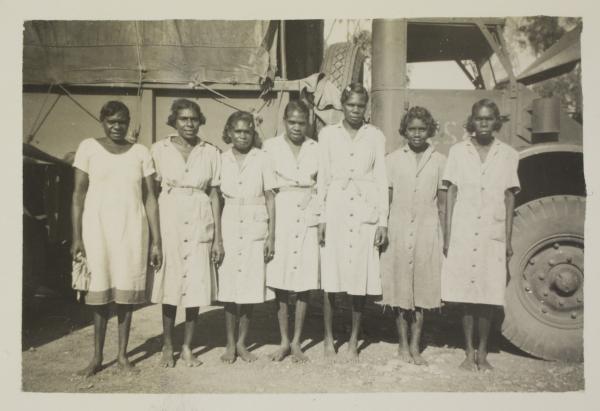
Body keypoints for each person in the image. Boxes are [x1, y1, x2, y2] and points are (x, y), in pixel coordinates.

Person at [71, 101, 162, 377]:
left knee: (125, 295)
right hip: (96, 229)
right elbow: (78, 195)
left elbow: (150, 198)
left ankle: (122, 356)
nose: (117, 127)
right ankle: (97, 357)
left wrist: (156, 240)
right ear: (102, 121)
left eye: (122, 121)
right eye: (111, 122)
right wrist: (76, 237)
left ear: (128, 121)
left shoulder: (141, 152)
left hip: (132, 230)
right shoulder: (88, 147)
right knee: (99, 295)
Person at [442, 99, 520, 371]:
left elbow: (510, 197)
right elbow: (450, 192)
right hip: (464, 231)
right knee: (466, 293)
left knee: (488, 293)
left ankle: (483, 352)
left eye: (489, 119)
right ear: (472, 121)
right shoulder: (458, 152)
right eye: (479, 118)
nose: (484, 123)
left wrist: (508, 239)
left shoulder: (508, 154)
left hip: (491, 232)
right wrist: (448, 234)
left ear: (496, 121)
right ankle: (467, 351)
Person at [317, 83, 389, 361]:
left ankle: (352, 339)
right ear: (342, 106)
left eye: (361, 105)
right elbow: (323, 177)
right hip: (335, 206)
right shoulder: (328, 134)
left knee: (360, 276)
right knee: (331, 277)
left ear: (366, 107)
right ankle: (327, 338)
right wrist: (321, 217)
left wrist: (382, 220)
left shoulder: (375, 136)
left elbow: (381, 178)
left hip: (364, 208)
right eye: (351, 105)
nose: (356, 110)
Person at [150, 99, 224, 368]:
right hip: (170, 215)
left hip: (199, 217)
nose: (189, 124)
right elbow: (150, 193)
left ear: (200, 121)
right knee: (170, 285)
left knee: (195, 286)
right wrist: (155, 238)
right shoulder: (159, 150)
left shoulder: (210, 152)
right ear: (174, 121)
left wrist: (218, 236)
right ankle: (167, 345)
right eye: (183, 119)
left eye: (194, 119)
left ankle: (187, 347)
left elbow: (215, 194)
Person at [379, 106, 446, 366]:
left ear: (429, 130)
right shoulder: (393, 160)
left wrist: (442, 235)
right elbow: (387, 198)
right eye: (411, 129)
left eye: (421, 129)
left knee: (421, 288)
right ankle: (402, 344)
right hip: (397, 226)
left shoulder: (439, 161)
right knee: (399, 289)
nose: (416, 134)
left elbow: (441, 202)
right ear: (404, 131)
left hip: (427, 229)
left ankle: (416, 345)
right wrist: (383, 227)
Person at [217, 111, 276, 363]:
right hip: (230, 221)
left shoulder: (262, 158)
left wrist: (271, 235)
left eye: (247, 131)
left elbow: (271, 197)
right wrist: (216, 238)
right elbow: (215, 200)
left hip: (255, 221)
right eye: (238, 131)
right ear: (229, 132)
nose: (243, 135)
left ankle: (242, 343)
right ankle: (229, 344)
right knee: (230, 287)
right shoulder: (221, 159)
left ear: (253, 133)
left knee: (250, 287)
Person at [263, 100, 320, 363]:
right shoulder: (271, 147)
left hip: (308, 212)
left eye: (302, 122)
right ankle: (284, 340)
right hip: (283, 213)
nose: (297, 127)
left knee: (305, 281)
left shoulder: (315, 148)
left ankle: (297, 341)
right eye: (292, 122)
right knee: (282, 280)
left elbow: (322, 186)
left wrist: (319, 220)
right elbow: (268, 193)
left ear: (308, 122)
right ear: (285, 121)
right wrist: (271, 233)